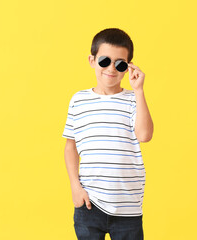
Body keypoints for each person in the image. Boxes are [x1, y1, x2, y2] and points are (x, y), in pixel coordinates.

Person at [62, 28, 154, 240]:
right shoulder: (78, 100)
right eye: (104, 61)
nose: (111, 68)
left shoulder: (133, 100)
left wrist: (139, 90)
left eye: (119, 63)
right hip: (89, 203)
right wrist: (75, 188)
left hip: (127, 206)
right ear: (92, 60)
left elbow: (145, 135)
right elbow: (70, 147)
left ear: (128, 67)